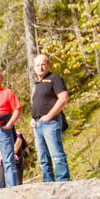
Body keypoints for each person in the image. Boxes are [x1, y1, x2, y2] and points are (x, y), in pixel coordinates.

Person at [29, 53, 71, 182]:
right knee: (43, 157)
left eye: (43, 64)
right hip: (38, 124)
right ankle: (48, 182)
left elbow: (63, 98)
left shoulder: (54, 78)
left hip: (51, 122)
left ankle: (63, 181)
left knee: (56, 154)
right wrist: (33, 118)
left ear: (49, 65)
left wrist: (49, 116)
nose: (40, 68)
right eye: (37, 65)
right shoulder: (38, 83)